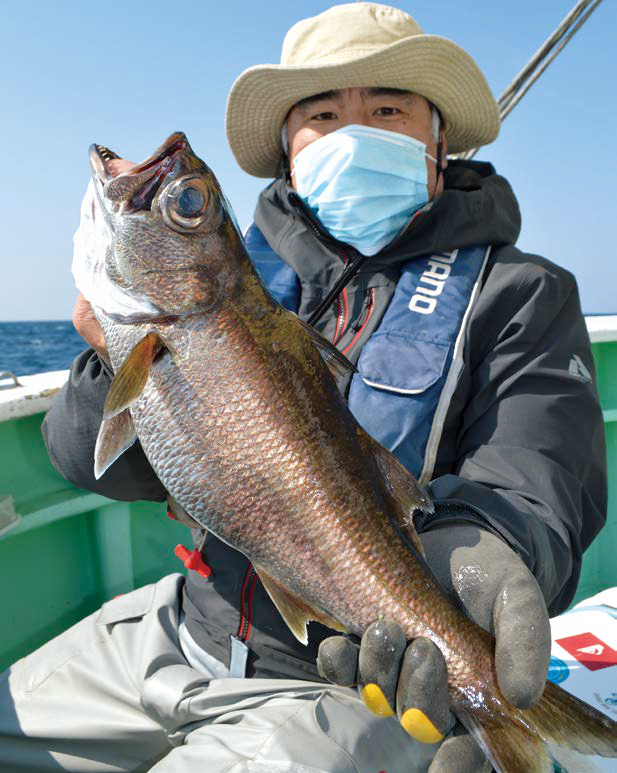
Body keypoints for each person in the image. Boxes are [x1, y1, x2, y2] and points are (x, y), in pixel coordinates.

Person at [0, 3, 607, 772]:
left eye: (386, 109)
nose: (353, 131)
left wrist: (487, 542)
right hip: (180, 626)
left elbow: (536, 473)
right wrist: (111, 352)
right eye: (321, 114)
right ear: (286, 150)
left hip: (344, 683)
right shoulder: (235, 283)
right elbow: (91, 464)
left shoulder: (521, 292)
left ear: (438, 140)